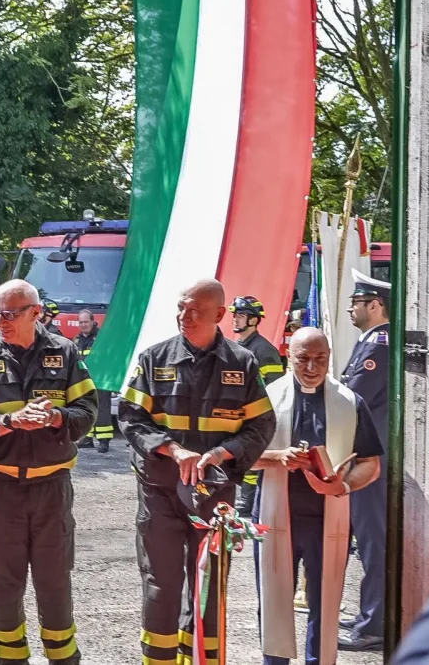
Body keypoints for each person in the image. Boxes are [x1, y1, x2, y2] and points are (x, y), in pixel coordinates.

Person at [117, 278, 276, 664]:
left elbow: (262, 426)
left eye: (195, 311)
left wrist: (224, 451)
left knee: (208, 588)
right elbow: (131, 418)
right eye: (181, 308)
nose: (184, 317)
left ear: (220, 315)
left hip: (215, 499)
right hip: (160, 494)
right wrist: (174, 450)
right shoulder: (154, 359)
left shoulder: (243, 362)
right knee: (161, 586)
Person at [0, 280, 97, 664]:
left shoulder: (65, 351)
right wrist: (9, 422)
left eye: (9, 313)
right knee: (3, 587)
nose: (0, 321)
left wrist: (56, 417)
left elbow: (87, 411)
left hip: (51, 491)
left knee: (55, 584)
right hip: (0, 489)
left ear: (36, 313)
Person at [254, 327, 383, 665]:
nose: (312, 367)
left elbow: (370, 464)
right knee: (274, 600)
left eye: (320, 359)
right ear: (288, 356)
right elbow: (242, 458)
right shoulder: (267, 398)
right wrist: (277, 457)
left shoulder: (350, 402)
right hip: (276, 515)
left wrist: (342, 486)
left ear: (329, 357)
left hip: (328, 518)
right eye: (303, 359)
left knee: (325, 602)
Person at [338, 269, 392, 652]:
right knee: (366, 537)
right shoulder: (370, 340)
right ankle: (368, 614)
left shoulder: (379, 345)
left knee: (374, 540)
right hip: (365, 451)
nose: (351, 309)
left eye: (356, 303)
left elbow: (351, 396)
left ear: (375, 305)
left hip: (370, 456)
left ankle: (375, 624)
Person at [229, 295, 287, 519]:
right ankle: (242, 498)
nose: (235, 319)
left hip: (256, 415)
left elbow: (275, 388)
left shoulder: (265, 350)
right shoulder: (234, 346)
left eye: (241, 315)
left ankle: (247, 501)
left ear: (254, 320)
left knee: (252, 458)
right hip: (237, 413)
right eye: (235, 315)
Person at [73, 309, 114, 453]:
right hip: (85, 380)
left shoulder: (101, 338)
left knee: (102, 409)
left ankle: (104, 441)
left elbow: (110, 358)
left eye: (86, 322)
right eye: (81, 322)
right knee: (86, 408)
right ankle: (87, 438)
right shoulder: (77, 339)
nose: (84, 325)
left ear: (92, 321)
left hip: (101, 379)